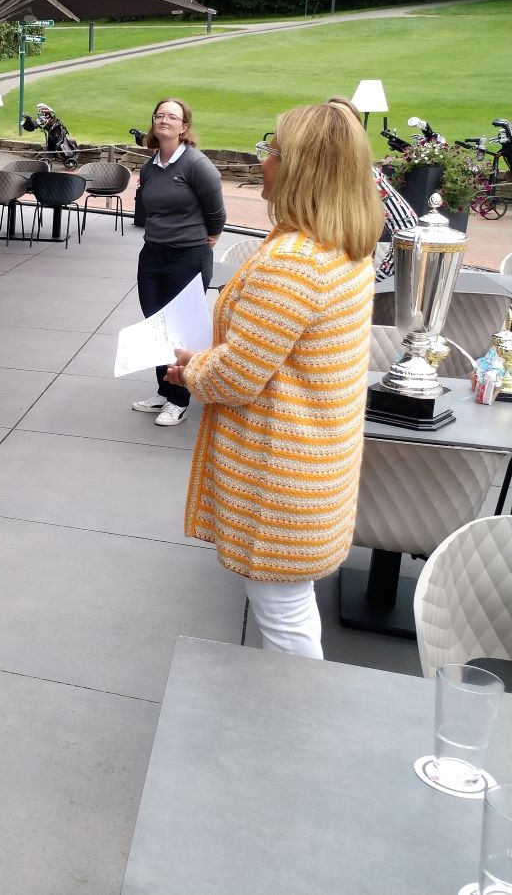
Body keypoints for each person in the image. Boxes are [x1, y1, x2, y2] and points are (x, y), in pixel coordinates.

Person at [166, 102, 383, 659]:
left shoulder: (295, 260)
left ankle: (294, 708)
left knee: (283, 615)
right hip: (314, 463)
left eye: (273, 150)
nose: (262, 160)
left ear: (298, 168)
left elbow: (238, 376)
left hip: (281, 473)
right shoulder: (341, 245)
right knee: (289, 606)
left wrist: (192, 368)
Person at [130, 98, 225, 427]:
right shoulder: (150, 167)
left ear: (184, 127)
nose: (164, 120)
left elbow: (217, 212)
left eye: (172, 117)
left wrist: (210, 235)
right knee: (157, 325)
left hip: (188, 256)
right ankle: (164, 390)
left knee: (181, 328)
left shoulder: (197, 165)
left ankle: (179, 399)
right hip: (152, 254)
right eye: (159, 115)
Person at [325, 96, 420, 281]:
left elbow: (408, 228)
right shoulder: (307, 171)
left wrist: (379, 279)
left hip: (347, 284)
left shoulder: (367, 177)